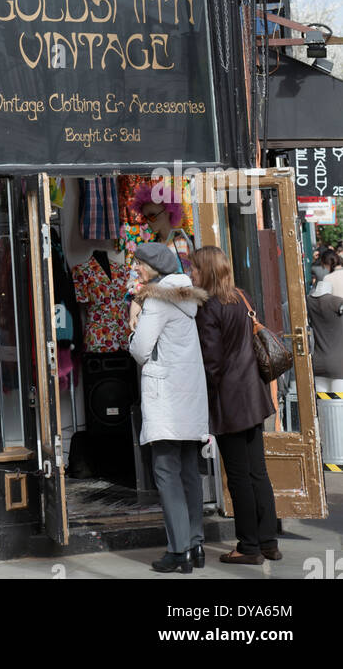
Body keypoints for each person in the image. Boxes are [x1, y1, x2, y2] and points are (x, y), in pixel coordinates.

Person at [191, 246, 279, 564]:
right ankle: (268, 541)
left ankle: (248, 547)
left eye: (196, 269)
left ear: (208, 272)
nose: (192, 273)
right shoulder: (241, 298)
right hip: (253, 395)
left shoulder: (208, 307)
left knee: (239, 477)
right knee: (258, 472)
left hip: (230, 401)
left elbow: (211, 361)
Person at [128, 242, 209, 574]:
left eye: (138, 266)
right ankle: (196, 544)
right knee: (189, 472)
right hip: (189, 394)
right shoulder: (187, 296)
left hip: (167, 397)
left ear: (151, 269)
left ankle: (179, 552)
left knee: (165, 472)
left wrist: (133, 327)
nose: (135, 271)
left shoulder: (158, 301)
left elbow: (141, 349)